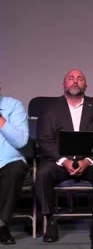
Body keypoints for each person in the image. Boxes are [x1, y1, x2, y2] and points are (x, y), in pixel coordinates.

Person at [36, 69, 93, 243]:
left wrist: (86, 161)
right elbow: (44, 140)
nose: (75, 81)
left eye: (80, 78)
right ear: (63, 84)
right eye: (70, 78)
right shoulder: (50, 109)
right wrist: (64, 161)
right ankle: (50, 222)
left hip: (90, 161)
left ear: (85, 85)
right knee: (42, 173)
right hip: (58, 162)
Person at [0, 86, 29, 245]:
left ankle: (2, 224)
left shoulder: (13, 106)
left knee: (15, 169)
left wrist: (1, 120)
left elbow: (21, 141)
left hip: (8, 162)